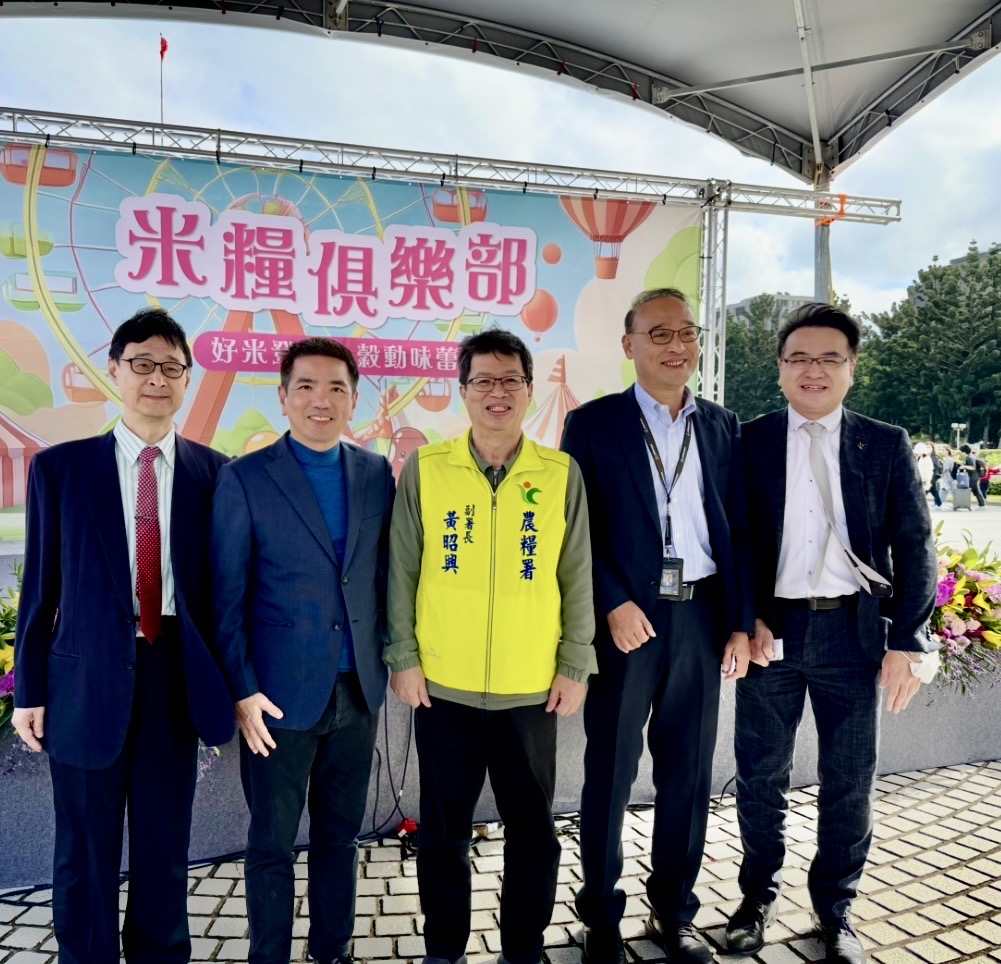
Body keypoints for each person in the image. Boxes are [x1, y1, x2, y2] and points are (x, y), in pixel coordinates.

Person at [12, 308, 234, 964]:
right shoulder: (62, 470)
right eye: (142, 364)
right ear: (114, 371)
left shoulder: (215, 474)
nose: (156, 379)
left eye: (171, 367)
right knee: (84, 849)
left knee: (165, 846)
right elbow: (40, 591)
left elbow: (225, 593)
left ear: (187, 379)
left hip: (173, 679)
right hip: (85, 681)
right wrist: (29, 690)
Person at [729, 304, 937, 964]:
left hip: (852, 635)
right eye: (798, 358)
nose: (811, 370)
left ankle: (836, 908)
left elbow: (915, 545)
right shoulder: (750, 440)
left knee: (849, 779)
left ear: (851, 369)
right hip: (772, 634)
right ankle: (756, 896)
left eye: (828, 358)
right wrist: (746, 619)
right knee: (760, 775)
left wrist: (908, 641)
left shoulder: (883, 443)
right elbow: (735, 541)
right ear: (779, 369)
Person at [386, 327, 596, 964]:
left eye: (510, 380)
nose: (497, 392)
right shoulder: (428, 469)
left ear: (528, 390)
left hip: (529, 687)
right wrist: (404, 657)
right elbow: (402, 569)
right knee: (442, 831)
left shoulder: (559, 473)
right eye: (483, 380)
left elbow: (576, 573)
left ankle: (522, 948)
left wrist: (575, 662)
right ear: (463, 390)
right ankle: (444, 948)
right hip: (442, 685)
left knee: (533, 830)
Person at [561, 288, 754, 964]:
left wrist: (739, 623)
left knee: (689, 775)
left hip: (700, 618)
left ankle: (674, 912)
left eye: (686, 333)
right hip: (627, 623)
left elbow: (740, 532)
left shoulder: (723, 425)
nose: (676, 346)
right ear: (629, 345)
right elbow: (574, 529)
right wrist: (611, 601)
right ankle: (600, 917)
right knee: (609, 773)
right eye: (659, 334)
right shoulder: (592, 425)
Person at [213, 337, 395, 964]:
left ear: (353, 399)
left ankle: (332, 950)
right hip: (276, 699)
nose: (322, 400)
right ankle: (269, 955)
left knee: (340, 836)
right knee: (271, 841)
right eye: (307, 387)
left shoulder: (375, 473)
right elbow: (226, 598)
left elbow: (380, 576)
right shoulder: (244, 478)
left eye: (337, 388)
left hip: (358, 690)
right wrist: (241, 690)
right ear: (284, 397)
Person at [959, 443, 986, 508]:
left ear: (964, 451)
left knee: (965, 490)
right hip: (974, 476)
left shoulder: (969, 457)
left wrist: (964, 466)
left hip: (972, 477)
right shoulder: (970, 456)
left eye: (961, 451)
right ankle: (982, 505)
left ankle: (961, 504)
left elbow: (973, 467)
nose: (960, 453)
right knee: (976, 491)